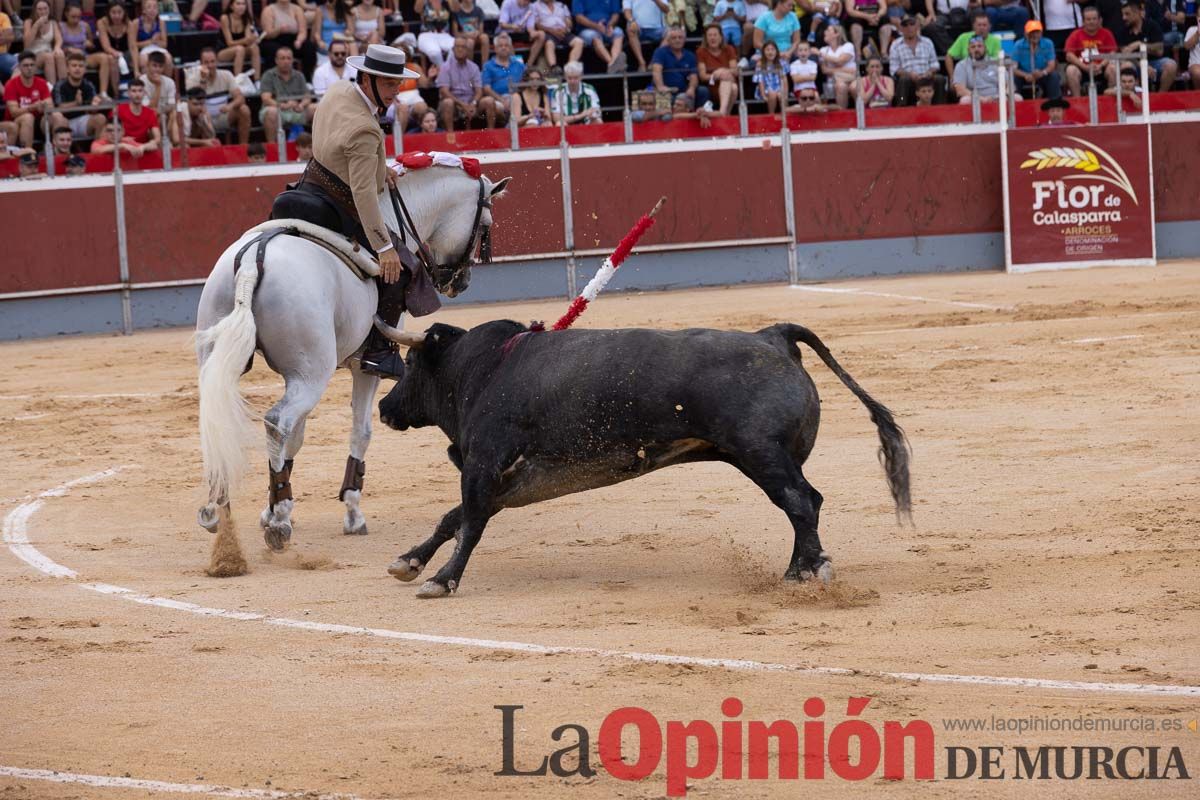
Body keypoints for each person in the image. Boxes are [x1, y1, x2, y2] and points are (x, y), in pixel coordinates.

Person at [300, 43, 423, 378]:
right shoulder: (365, 129)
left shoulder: (339, 90)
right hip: (340, 204)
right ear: (366, 80)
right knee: (403, 268)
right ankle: (377, 351)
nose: (395, 90)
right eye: (387, 83)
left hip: (310, 183)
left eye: (397, 83)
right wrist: (384, 248)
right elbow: (364, 194)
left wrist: (378, 167)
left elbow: (341, 143)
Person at [186, 47, 251, 144]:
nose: (210, 65)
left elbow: (240, 98)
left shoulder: (226, 75)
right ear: (201, 64)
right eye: (206, 62)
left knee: (244, 109)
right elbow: (194, 103)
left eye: (212, 62)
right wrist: (203, 80)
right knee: (200, 117)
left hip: (223, 116)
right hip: (202, 118)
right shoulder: (192, 78)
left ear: (217, 62)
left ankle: (244, 148)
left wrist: (230, 106)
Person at [1116, 0, 1176, 91]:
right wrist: (1142, 66)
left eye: (1127, 14)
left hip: (1154, 62)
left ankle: (1160, 97)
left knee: (1171, 65)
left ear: (1137, 13)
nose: (1124, 18)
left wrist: (1140, 45)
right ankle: (1133, 97)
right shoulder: (1122, 30)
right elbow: (1125, 55)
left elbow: (1159, 51)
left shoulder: (1152, 26)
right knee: (1126, 65)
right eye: (1123, 14)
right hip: (1134, 64)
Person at [60, 2, 115, 100]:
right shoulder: (61, 26)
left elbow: (92, 45)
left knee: (104, 57)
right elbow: (56, 47)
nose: (76, 19)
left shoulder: (85, 26)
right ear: (66, 14)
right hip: (67, 57)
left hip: (83, 55)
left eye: (78, 17)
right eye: (73, 17)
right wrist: (69, 49)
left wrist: (89, 44)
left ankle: (103, 92)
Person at [261, 46, 315, 137]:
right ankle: (272, 147)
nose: (286, 61)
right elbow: (266, 98)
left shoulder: (299, 75)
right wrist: (282, 105)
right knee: (271, 112)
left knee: (316, 108)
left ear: (292, 60)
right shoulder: (268, 75)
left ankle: (318, 145)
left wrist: (301, 105)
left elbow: (307, 96)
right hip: (277, 109)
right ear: (276, 60)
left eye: (288, 58)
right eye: (282, 58)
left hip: (296, 110)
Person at [51, 50, 105, 140]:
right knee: (59, 118)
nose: (77, 69)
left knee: (101, 118)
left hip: (82, 120)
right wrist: (76, 103)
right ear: (68, 69)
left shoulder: (89, 85)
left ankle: (97, 149)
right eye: (74, 66)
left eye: (80, 66)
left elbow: (92, 109)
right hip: (64, 120)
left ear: (85, 69)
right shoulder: (60, 85)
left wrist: (96, 105)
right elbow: (59, 108)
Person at [1064, 6, 1117, 95]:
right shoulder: (1075, 34)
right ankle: (1078, 101)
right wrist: (1085, 67)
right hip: (1082, 68)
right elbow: (1069, 55)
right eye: (1088, 19)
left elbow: (1112, 53)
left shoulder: (1107, 33)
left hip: (1101, 68)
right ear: (1083, 21)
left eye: (1094, 19)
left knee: (1113, 68)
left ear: (1099, 20)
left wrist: (1101, 65)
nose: (1091, 22)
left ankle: (1110, 99)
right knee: (1071, 70)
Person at [888, 13, 940, 105]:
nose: (909, 28)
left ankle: (941, 109)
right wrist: (909, 74)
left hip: (926, 77)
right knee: (904, 80)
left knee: (940, 79)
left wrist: (929, 72)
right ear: (901, 28)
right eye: (905, 25)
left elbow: (935, 63)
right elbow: (894, 69)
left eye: (912, 24)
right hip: (908, 78)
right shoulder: (895, 44)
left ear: (917, 26)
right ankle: (901, 108)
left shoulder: (927, 42)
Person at [3, 51, 52, 148]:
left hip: (38, 121)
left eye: (32, 65)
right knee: (28, 117)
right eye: (25, 65)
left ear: (35, 67)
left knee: (57, 116)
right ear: (19, 67)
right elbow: (13, 112)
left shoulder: (42, 83)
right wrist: (32, 107)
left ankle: (60, 151)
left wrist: (44, 106)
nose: (29, 68)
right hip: (15, 121)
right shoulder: (11, 84)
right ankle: (27, 154)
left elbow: (50, 105)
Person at [437, 36, 486, 129]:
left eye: (463, 47)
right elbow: (444, 91)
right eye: (457, 47)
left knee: (489, 101)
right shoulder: (445, 67)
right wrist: (462, 105)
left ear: (468, 50)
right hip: (454, 103)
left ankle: (491, 134)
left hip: (471, 102)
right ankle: (450, 135)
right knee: (448, 102)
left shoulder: (474, 67)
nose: (460, 49)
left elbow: (479, 91)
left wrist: (473, 103)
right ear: (453, 49)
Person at [651, 26, 707, 107]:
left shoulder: (690, 55)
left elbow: (693, 76)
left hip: (683, 91)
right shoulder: (660, 52)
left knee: (703, 91)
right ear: (668, 40)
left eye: (680, 37)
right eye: (674, 38)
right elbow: (656, 71)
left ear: (684, 40)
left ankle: (699, 115)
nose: (677, 40)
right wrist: (660, 86)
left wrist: (691, 88)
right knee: (665, 104)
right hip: (666, 90)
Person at [260, 0, 315, 78]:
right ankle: (274, 79)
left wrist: (299, 40)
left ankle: (306, 78)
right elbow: (267, 33)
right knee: (274, 50)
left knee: (309, 47)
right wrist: (279, 30)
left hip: (293, 39)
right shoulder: (268, 10)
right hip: (274, 39)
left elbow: (303, 31)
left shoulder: (297, 9)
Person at [944, 8, 1000, 79]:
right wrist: (952, 77)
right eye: (979, 25)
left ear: (989, 27)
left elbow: (996, 62)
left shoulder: (995, 40)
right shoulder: (963, 37)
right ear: (973, 26)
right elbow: (949, 56)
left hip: (987, 74)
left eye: (984, 25)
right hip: (966, 73)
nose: (981, 28)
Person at [481, 32, 523, 125]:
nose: (504, 47)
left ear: (511, 48)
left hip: (516, 98)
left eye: (506, 45)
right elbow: (486, 89)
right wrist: (502, 100)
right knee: (497, 106)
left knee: (516, 99)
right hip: (497, 99)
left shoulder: (519, 65)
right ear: (495, 49)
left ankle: (514, 127)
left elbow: (526, 81)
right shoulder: (488, 66)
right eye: (500, 46)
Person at [696, 23, 739, 114]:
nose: (712, 38)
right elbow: (703, 76)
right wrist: (716, 75)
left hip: (729, 83)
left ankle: (722, 113)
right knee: (732, 86)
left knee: (733, 86)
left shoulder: (729, 49)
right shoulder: (701, 51)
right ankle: (725, 113)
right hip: (712, 86)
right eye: (710, 35)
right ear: (706, 38)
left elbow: (735, 71)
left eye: (715, 35)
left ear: (720, 37)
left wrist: (722, 71)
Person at [1012, 19, 1060, 99]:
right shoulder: (1018, 45)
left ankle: (1054, 102)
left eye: (1037, 32)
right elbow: (1013, 68)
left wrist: (1042, 73)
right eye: (1031, 32)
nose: (1034, 35)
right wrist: (1025, 75)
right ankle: (1014, 102)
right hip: (1024, 75)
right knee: (1013, 78)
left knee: (1054, 76)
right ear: (1025, 34)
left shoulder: (1048, 43)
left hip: (1042, 74)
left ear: (1041, 33)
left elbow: (1051, 65)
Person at [533, 0, 585, 72]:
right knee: (549, 43)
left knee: (579, 42)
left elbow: (569, 20)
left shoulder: (561, 5)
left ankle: (570, 67)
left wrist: (566, 28)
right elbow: (536, 24)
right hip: (548, 32)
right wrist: (552, 31)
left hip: (563, 32)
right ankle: (553, 67)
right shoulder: (535, 6)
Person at [575, 0, 626, 72]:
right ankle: (612, 63)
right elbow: (579, 18)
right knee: (594, 36)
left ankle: (615, 61)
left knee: (618, 32)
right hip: (587, 29)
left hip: (607, 27)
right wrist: (596, 26)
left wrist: (610, 25)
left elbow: (616, 14)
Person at [499, 0, 549, 68]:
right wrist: (512, 26)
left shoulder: (531, 7)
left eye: (528, 1)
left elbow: (530, 26)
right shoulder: (508, 3)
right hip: (508, 31)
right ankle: (516, 66)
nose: (526, 2)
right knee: (504, 36)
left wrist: (532, 32)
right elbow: (502, 24)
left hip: (522, 32)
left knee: (541, 34)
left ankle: (529, 66)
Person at [141, 50, 177, 142]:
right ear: (148, 65)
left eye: (160, 66)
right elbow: (149, 109)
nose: (157, 69)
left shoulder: (170, 82)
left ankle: (172, 141)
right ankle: (160, 143)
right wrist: (158, 86)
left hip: (164, 116)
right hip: (145, 118)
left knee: (174, 114)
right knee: (157, 116)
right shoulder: (141, 82)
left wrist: (160, 110)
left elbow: (172, 105)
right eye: (154, 66)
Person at [219, 0, 261, 79]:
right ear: (231, 6)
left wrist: (253, 40)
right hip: (224, 50)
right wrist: (245, 40)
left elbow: (247, 40)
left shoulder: (247, 19)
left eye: (243, 4)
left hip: (241, 49)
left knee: (254, 47)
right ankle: (238, 81)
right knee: (240, 49)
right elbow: (229, 42)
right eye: (238, 4)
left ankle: (257, 80)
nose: (241, 7)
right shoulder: (225, 18)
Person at [23, 0, 62, 85]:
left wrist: (57, 47)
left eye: (45, 8)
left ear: (49, 9)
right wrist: (36, 25)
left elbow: (59, 38)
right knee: (48, 57)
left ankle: (64, 88)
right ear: (35, 10)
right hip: (33, 55)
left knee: (60, 54)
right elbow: (26, 44)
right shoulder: (28, 22)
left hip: (48, 52)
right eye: (40, 9)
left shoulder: (53, 22)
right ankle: (52, 89)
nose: (43, 11)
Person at [818, 21, 856, 107]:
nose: (825, 32)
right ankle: (843, 114)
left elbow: (839, 61)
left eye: (828, 30)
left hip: (852, 78)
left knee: (854, 87)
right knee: (841, 86)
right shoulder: (823, 50)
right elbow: (824, 70)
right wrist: (846, 70)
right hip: (835, 80)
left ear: (837, 34)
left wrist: (822, 56)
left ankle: (863, 114)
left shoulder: (848, 46)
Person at [624, 0, 669, 72]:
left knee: (670, 33)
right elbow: (627, 12)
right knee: (630, 28)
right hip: (639, 28)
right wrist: (631, 21)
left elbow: (666, 10)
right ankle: (641, 62)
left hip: (657, 29)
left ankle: (653, 62)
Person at [952, 34, 999, 102]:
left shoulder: (995, 63)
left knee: (1017, 98)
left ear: (985, 48)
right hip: (974, 98)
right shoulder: (961, 65)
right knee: (965, 100)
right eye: (973, 47)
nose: (976, 49)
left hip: (997, 97)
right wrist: (981, 99)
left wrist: (999, 96)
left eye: (979, 46)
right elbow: (960, 90)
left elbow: (1007, 84)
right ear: (968, 50)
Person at [117, 79, 161, 152]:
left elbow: (157, 138)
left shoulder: (150, 113)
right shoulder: (119, 109)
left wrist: (144, 146)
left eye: (140, 91)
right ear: (128, 93)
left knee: (156, 145)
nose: (137, 94)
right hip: (124, 147)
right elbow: (106, 135)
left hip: (143, 148)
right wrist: (122, 139)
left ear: (144, 93)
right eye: (134, 91)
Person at [97, 2, 131, 97]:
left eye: (119, 12)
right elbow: (106, 46)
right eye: (113, 12)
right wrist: (117, 54)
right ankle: (117, 94)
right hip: (109, 52)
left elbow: (132, 45)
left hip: (126, 52)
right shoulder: (102, 22)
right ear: (108, 13)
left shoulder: (129, 23)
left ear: (124, 13)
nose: (116, 15)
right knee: (112, 60)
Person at [131, 0, 170, 80]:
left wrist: (156, 42)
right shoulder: (136, 23)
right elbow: (133, 45)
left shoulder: (161, 22)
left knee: (168, 59)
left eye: (155, 7)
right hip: (143, 50)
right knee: (146, 60)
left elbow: (164, 44)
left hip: (157, 48)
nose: (152, 10)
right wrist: (150, 41)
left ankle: (166, 86)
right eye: (149, 7)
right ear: (143, 10)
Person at [415, 0, 454, 66]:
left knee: (456, 48)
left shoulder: (446, 2)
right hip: (426, 35)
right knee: (434, 53)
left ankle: (447, 70)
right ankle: (444, 71)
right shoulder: (424, 2)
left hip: (444, 34)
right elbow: (417, 9)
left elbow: (456, 9)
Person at [752, 38, 786, 112]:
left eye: (772, 49)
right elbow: (761, 81)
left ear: (776, 51)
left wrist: (785, 92)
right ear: (763, 52)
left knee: (781, 95)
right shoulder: (760, 64)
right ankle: (771, 115)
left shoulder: (781, 63)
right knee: (772, 93)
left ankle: (785, 114)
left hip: (779, 88)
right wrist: (763, 95)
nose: (770, 52)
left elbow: (784, 80)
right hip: (765, 89)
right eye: (767, 50)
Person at [0, 8, 16, 83]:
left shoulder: (3, 17)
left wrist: (4, 38)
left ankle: (10, 89)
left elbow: (10, 37)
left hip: (2, 55)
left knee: (20, 66)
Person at [1186, 21, 1200, 91]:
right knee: (1198, 73)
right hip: (1196, 63)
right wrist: (1197, 33)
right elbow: (1187, 46)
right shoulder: (1192, 29)